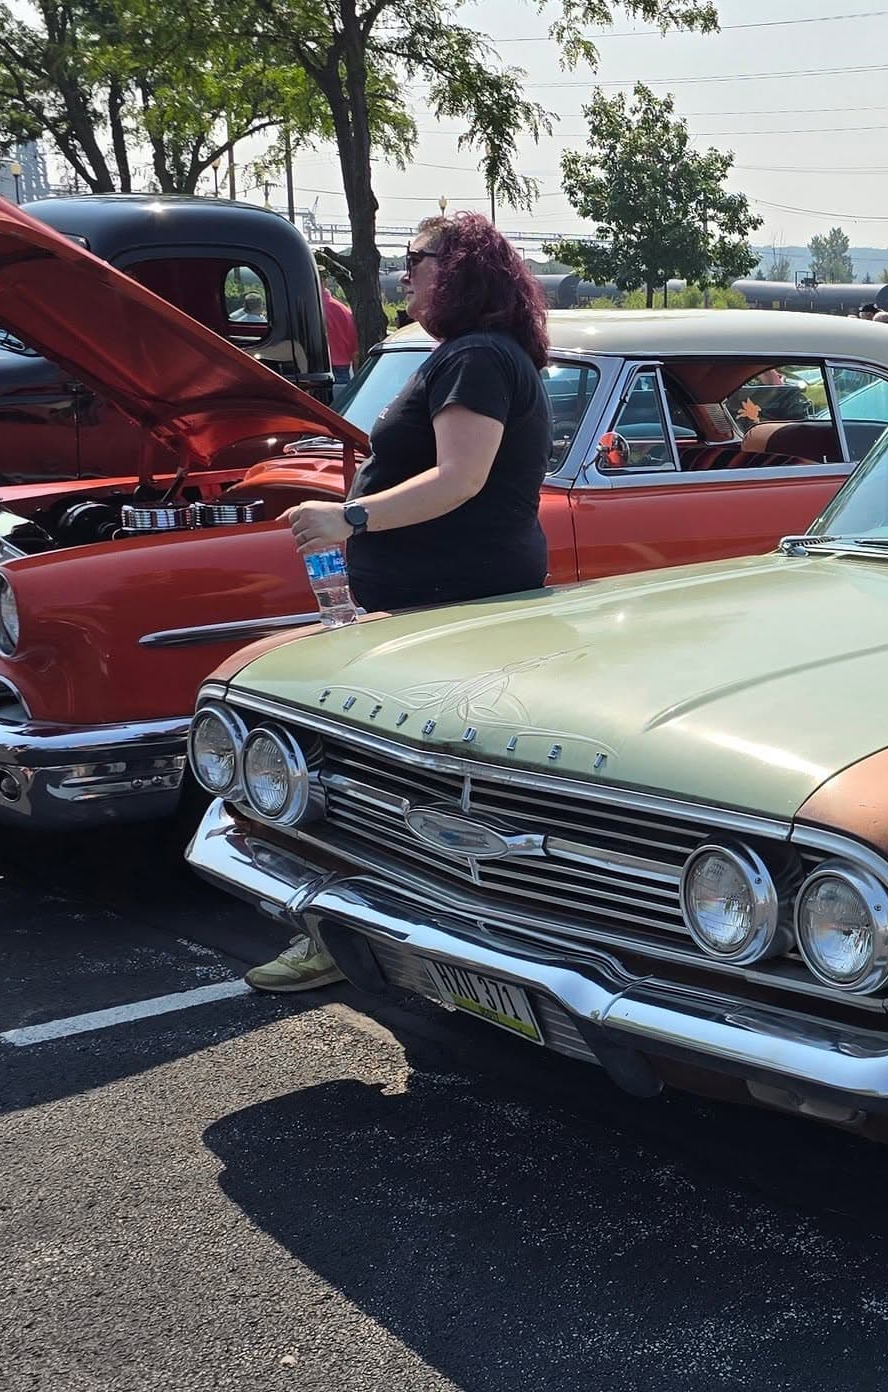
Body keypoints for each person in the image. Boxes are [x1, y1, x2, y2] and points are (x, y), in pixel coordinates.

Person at [253, 211, 553, 992]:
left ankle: (351, 934)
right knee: (411, 781)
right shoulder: (469, 355)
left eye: (415, 260)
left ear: (458, 270)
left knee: (387, 780)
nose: (402, 274)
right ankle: (368, 929)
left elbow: (459, 478)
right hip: (441, 595)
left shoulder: (478, 357)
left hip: (448, 602)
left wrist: (347, 516)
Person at [321, 288, 357, 376]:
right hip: (342, 368)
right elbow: (355, 351)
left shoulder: (306, 308)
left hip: (314, 368)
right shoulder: (344, 311)